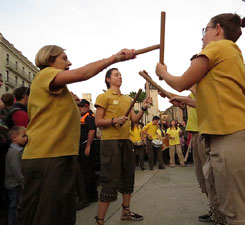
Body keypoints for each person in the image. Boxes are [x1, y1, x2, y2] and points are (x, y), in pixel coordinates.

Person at [156, 13, 245, 225]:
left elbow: (181, 82)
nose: (202, 37)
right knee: (230, 210)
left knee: (240, 216)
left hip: (232, 139)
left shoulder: (217, 47)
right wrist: (184, 101)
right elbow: (214, 102)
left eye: (204, 31)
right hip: (232, 138)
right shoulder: (229, 54)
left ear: (217, 29)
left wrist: (164, 72)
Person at [19, 45, 136, 225]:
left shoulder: (58, 88)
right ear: (50, 59)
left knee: (61, 214)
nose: (69, 63)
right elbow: (82, 74)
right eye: (64, 58)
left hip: (60, 156)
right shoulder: (45, 74)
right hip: (47, 157)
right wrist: (114, 58)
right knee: (45, 216)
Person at [94, 68, 152, 225]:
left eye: (120, 74)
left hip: (126, 142)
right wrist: (113, 121)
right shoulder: (103, 97)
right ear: (108, 79)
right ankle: (100, 220)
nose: (120, 77)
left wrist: (144, 108)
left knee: (128, 178)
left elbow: (134, 119)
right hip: (110, 143)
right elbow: (98, 121)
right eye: (116, 75)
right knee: (110, 181)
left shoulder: (127, 99)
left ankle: (126, 212)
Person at [5, 126, 27, 225]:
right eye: (23, 136)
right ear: (14, 137)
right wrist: (22, 181)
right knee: (14, 205)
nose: (26, 138)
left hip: (16, 182)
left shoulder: (18, 150)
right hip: (14, 183)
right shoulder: (13, 152)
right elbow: (15, 169)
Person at [78, 99, 98, 204]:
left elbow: (92, 130)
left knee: (87, 172)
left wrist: (88, 146)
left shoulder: (89, 117)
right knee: (88, 172)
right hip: (84, 145)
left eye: (82, 106)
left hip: (87, 145)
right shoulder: (82, 117)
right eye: (79, 106)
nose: (79, 108)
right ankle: (93, 195)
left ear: (87, 107)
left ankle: (88, 196)